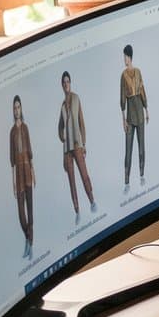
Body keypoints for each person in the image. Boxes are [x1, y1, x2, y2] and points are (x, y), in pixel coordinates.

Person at [56, 70, 95, 219]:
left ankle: (92, 200)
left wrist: (84, 143)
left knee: (84, 175)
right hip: (67, 150)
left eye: (68, 82)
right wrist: (62, 137)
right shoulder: (62, 105)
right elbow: (60, 127)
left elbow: (81, 122)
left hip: (77, 145)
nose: (66, 84)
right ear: (62, 85)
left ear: (70, 83)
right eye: (64, 82)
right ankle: (77, 210)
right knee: (71, 181)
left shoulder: (76, 98)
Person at [120, 45, 147, 189]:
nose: (124, 59)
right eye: (124, 56)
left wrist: (147, 109)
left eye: (125, 56)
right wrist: (123, 119)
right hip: (130, 114)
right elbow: (122, 97)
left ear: (129, 57)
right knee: (128, 148)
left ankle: (142, 173)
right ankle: (126, 179)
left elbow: (142, 89)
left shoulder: (138, 72)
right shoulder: (123, 75)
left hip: (140, 113)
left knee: (141, 146)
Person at [9, 96, 33, 256]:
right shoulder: (12, 131)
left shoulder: (25, 127)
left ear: (21, 108)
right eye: (15, 108)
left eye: (19, 107)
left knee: (30, 210)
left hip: (27, 170)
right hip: (18, 172)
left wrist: (33, 171)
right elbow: (11, 157)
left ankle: (30, 245)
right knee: (21, 211)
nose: (17, 110)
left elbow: (30, 151)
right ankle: (28, 237)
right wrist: (12, 181)